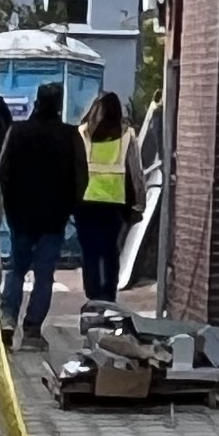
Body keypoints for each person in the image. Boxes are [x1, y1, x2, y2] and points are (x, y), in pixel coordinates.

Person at [0, 80, 87, 339]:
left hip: (20, 215)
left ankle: (8, 319)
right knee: (44, 274)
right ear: (59, 105)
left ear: (36, 102)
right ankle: (33, 326)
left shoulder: (18, 131)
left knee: (16, 268)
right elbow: (81, 176)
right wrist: (71, 206)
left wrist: (9, 206)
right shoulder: (70, 135)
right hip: (53, 217)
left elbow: (2, 171)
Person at [76, 89, 133, 305]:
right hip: (115, 202)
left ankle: (92, 295)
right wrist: (138, 204)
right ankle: (108, 296)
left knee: (90, 252)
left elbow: (75, 167)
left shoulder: (82, 133)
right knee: (111, 252)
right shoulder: (127, 136)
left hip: (86, 202)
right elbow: (134, 172)